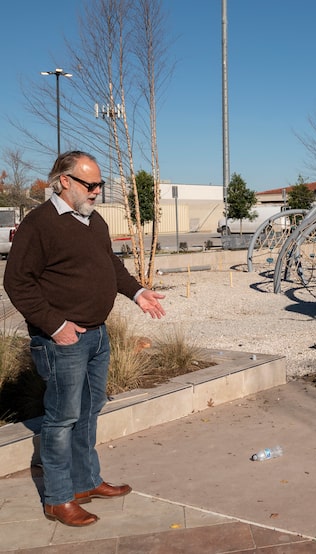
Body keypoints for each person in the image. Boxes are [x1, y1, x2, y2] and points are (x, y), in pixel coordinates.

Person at [3, 151, 166, 527]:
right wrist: (54, 325)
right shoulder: (40, 223)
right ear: (64, 180)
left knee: (89, 413)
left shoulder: (93, 221)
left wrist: (137, 293)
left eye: (99, 185)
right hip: (63, 341)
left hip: (96, 336)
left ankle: (86, 482)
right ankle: (58, 498)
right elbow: (16, 282)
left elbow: (110, 265)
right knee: (61, 420)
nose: (96, 191)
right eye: (89, 184)